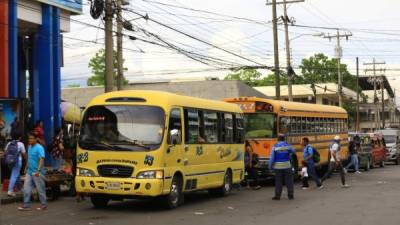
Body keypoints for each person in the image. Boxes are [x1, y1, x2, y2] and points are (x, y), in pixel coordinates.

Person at [18, 132, 47, 211]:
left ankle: (43, 205)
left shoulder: (39, 148)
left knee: (40, 189)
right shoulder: (29, 147)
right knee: (26, 189)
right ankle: (26, 205)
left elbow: (42, 159)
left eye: (31, 138)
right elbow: (29, 158)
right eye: (29, 138)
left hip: (38, 172)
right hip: (29, 172)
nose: (29, 140)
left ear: (35, 139)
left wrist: (38, 170)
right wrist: (26, 167)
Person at [269, 133, 296, 200]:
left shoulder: (275, 147)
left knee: (278, 181)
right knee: (289, 181)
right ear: (284, 139)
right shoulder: (287, 146)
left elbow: (272, 158)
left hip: (278, 167)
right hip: (287, 166)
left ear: (278, 139)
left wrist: (270, 166)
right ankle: (290, 195)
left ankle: (277, 196)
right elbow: (294, 151)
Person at [4, 133, 26, 197]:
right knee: (14, 175)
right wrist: (27, 160)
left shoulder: (9, 143)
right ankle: (10, 191)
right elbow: (24, 154)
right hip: (17, 161)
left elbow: (5, 152)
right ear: (19, 138)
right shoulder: (21, 144)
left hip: (9, 162)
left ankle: (21, 189)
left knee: (17, 175)